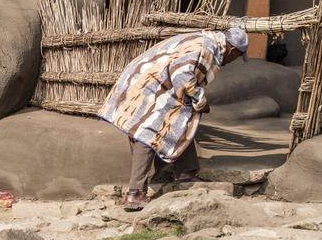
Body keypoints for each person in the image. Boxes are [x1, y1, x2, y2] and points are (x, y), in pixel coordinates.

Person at [99, 27, 249, 211]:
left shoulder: (206, 41)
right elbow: (183, 74)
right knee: (148, 134)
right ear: (233, 50)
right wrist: (200, 98)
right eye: (236, 57)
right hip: (148, 85)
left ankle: (180, 173)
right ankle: (135, 194)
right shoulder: (206, 46)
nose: (231, 61)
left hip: (150, 79)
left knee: (179, 122)